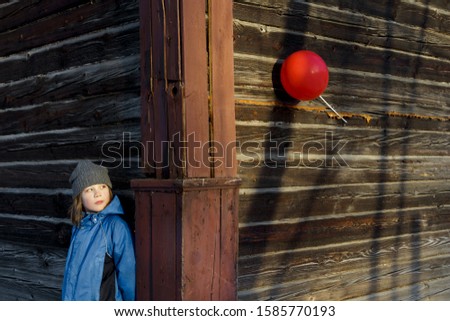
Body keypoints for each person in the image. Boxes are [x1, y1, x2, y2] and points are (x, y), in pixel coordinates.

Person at [62, 160, 136, 300]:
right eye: (89, 189)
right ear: (79, 198)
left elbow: (128, 275)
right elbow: (71, 276)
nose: (98, 194)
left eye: (102, 186)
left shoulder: (115, 226)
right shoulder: (79, 227)